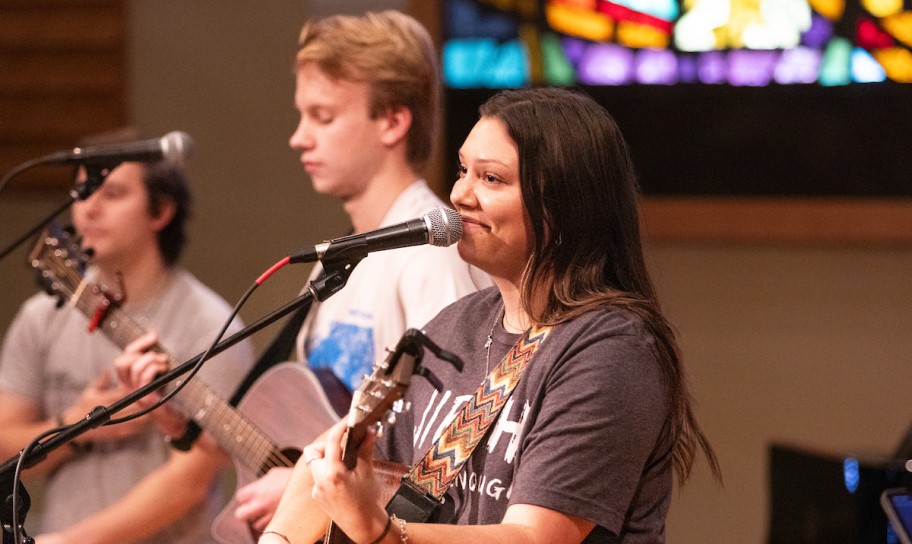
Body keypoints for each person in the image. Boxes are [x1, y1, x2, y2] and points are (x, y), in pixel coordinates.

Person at [261, 87, 722, 544]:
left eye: (492, 179)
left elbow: (535, 538)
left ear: (564, 205)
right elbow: (327, 462)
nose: (460, 195)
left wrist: (380, 532)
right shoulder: (454, 327)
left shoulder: (611, 351)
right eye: (463, 170)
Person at [224, 9, 490, 532]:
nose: (298, 138)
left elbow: (459, 451)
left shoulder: (430, 261)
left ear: (392, 120)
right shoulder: (339, 261)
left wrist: (305, 486)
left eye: (322, 117)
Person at [0, 132, 257, 544]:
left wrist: (71, 542)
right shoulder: (40, 318)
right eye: (82, 191)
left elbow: (190, 479)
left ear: (160, 212)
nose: (89, 208)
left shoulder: (211, 325)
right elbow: (5, 448)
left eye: (113, 193)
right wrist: (77, 426)